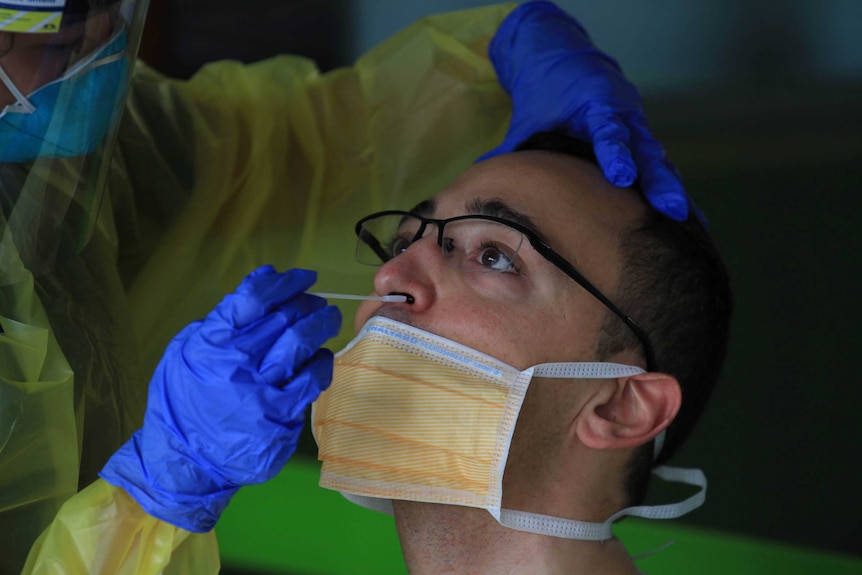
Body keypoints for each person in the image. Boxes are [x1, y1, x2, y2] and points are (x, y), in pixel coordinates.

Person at [9, 1, 700, 572]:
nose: (388, 275)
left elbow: (306, 152)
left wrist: (495, 49)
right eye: (404, 237)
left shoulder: (91, 155)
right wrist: (156, 493)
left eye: (494, 255)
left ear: (622, 406)